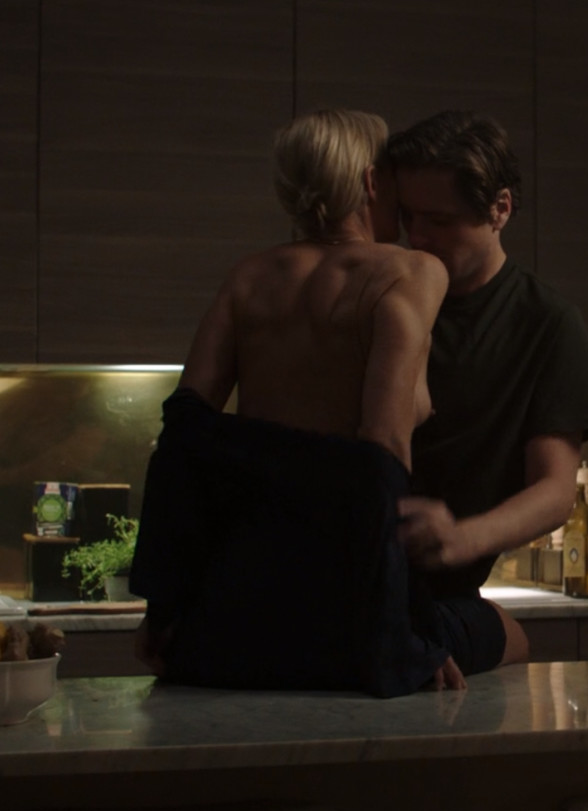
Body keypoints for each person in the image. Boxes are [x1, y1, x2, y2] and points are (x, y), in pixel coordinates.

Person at [128, 109, 465, 696]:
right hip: (340, 589)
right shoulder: (410, 271)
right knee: (503, 634)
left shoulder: (248, 278)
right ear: (370, 182)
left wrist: (164, 607)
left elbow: (183, 438)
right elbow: (383, 449)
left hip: (240, 586)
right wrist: (408, 629)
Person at [385, 111, 588, 676]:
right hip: (357, 577)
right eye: (407, 216)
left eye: (439, 220)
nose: (417, 236)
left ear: (500, 209)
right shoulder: (385, 294)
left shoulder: (545, 322)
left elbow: (555, 490)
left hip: (444, 590)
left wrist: (461, 538)